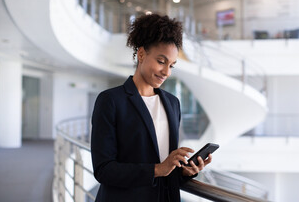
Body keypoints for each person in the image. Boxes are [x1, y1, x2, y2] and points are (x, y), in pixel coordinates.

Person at [91, 13, 212, 202]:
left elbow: (166, 166)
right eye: (161, 61)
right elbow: (103, 169)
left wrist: (185, 171)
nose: (166, 72)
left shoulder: (173, 103)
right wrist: (158, 169)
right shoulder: (111, 100)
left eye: (172, 65)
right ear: (141, 54)